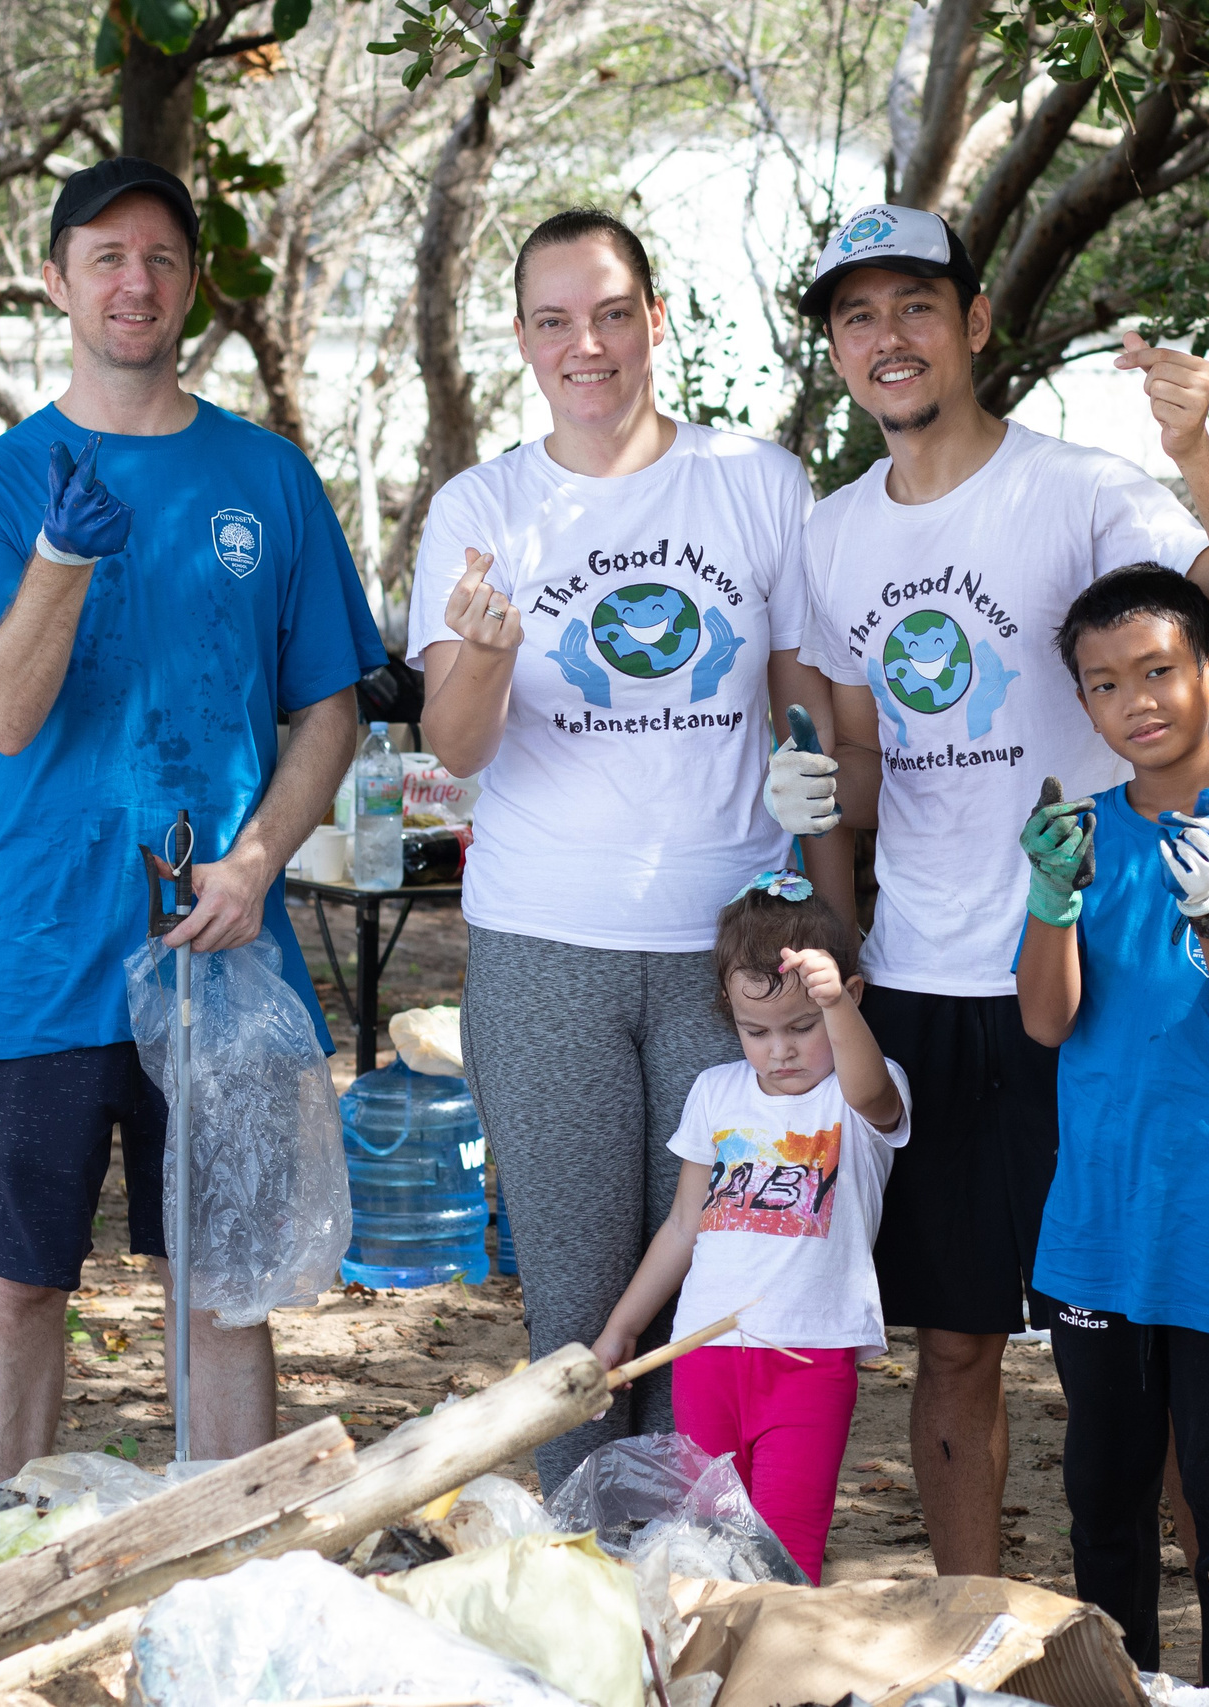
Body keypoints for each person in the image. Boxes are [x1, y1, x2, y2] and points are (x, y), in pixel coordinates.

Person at [771, 202, 1209, 1575]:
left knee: (1140, 1344)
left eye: (915, 305)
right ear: (836, 348)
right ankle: (979, 1638)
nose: (888, 337)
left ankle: (1193, 1658)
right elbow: (870, 768)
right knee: (952, 1344)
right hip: (925, 978)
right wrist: (817, 816)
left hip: (1095, 980)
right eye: (856, 316)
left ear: (973, 322)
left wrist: (1197, 454)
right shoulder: (832, 539)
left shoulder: (1079, 492)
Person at [0, 158, 383, 1478]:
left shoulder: (267, 478)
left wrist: (258, 859)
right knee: (21, 1278)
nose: (135, 281)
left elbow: (331, 710)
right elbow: (3, 714)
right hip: (42, 952)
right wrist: (60, 560)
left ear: (191, 284)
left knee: (222, 1283)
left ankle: (234, 1557)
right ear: (57, 279)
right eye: (106, 256)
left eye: (162, 258)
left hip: (222, 950)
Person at [410, 209, 842, 1490]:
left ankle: (705, 1584)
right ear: (522, 339)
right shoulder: (482, 507)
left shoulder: (755, 481)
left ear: (655, 319)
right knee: (581, 1314)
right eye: (554, 321)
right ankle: (585, 1573)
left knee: (724, 1300)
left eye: (610, 314)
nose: (585, 345)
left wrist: (829, 892)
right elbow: (455, 746)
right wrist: (488, 656)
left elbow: (804, 706)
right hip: (546, 949)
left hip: (737, 955)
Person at [1014, 567, 1209, 1694]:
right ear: (1084, 704)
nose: (1135, 701)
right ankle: (1119, 1692)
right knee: (1102, 1499)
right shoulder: (1082, 833)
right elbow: (1046, 1020)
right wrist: (1052, 898)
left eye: (1158, 671)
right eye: (1104, 684)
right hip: (1096, 1221)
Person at [590, 872, 909, 1583]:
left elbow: (874, 1095)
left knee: (785, 1558)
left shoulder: (858, 1089)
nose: (780, 1050)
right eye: (755, 1031)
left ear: (849, 998)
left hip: (810, 1356)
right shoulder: (715, 1091)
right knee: (707, 1552)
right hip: (704, 1354)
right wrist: (622, 1327)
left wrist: (833, 1004)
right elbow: (683, 1224)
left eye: (803, 1026)